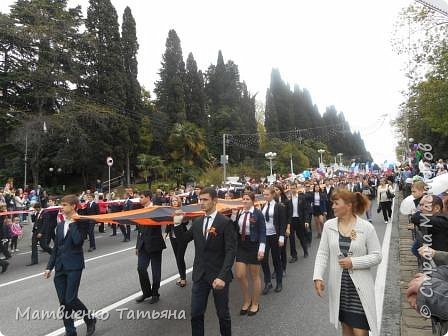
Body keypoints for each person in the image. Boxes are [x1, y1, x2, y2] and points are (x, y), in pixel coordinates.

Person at [313, 189, 382, 336]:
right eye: (333, 203)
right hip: (340, 288)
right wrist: (318, 276)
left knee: (360, 332)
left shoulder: (366, 227)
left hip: (359, 289)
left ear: (349, 205)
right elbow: (322, 253)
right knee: (346, 329)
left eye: (336, 203)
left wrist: (354, 262)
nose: (332, 206)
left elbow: (377, 256)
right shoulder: (329, 225)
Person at [174, 187, 237, 336]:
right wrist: (177, 225)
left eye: (205, 200)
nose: (201, 203)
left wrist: (222, 276)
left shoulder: (225, 222)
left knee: (223, 315)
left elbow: (230, 251)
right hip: (200, 275)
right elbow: (183, 240)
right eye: (200, 200)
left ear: (214, 201)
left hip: (218, 275)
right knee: (196, 314)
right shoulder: (197, 222)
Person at [44, 194, 96, 336]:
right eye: (61, 204)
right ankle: (70, 331)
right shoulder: (60, 225)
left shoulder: (81, 221)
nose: (62, 207)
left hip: (74, 266)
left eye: (64, 205)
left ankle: (89, 319)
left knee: (71, 299)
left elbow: (78, 241)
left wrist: (73, 223)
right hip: (60, 267)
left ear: (73, 206)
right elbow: (56, 248)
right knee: (63, 303)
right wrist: (49, 267)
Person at [231, 191, 266, 316]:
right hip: (241, 245)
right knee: (240, 275)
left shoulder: (258, 214)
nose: (244, 201)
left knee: (254, 276)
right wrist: (233, 217)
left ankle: (255, 303)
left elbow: (262, 231)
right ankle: (247, 300)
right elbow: (234, 228)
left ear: (252, 201)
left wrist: (261, 249)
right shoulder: (240, 212)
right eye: (243, 199)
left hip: (254, 245)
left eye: (247, 199)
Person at [135, 190, 166, 304]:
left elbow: (162, 221)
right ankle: (146, 292)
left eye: (142, 197)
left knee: (155, 271)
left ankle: (155, 293)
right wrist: (137, 246)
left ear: (148, 198)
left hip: (155, 244)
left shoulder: (156, 210)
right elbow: (139, 231)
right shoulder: (140, 211)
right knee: (141, 268)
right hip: (143, 245)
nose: (140, 199)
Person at [260, 187, 286, 294]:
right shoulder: (263, 206)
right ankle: (268, 282)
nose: (265, 196)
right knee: (263, 259)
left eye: (267, 194)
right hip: (265, 236)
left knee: (276, 259)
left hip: (275, 235)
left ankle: (279, 282)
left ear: (272, 195)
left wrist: (281, 236)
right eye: (264, 194)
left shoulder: (279, 206)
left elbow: (282, 222)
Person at [165, 195, 188, 287]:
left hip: (182, 237)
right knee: (177, 258)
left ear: (179, 201)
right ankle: (182, 276)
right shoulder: (169, 211)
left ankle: (183, 278)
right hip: (172, 237)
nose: (174, 202)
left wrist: (181, 218)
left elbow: (186, 222)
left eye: (175, 200)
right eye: (172, 201)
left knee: (179, 257)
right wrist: (165, 234)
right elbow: (168, 224)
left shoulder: (182, 210)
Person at [287, 183, 312, 261]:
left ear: (296, 189)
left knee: (301, 236)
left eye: (294, 188)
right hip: (291, 221)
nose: (293, 190)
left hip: (299, 220)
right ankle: (294, 256)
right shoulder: (288, 199)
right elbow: (286, 211)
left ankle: (305, 251)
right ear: (290, 189)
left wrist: (306, 221)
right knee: (291, 239)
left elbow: (305, 210)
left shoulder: (301, 198)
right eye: (291, 188)